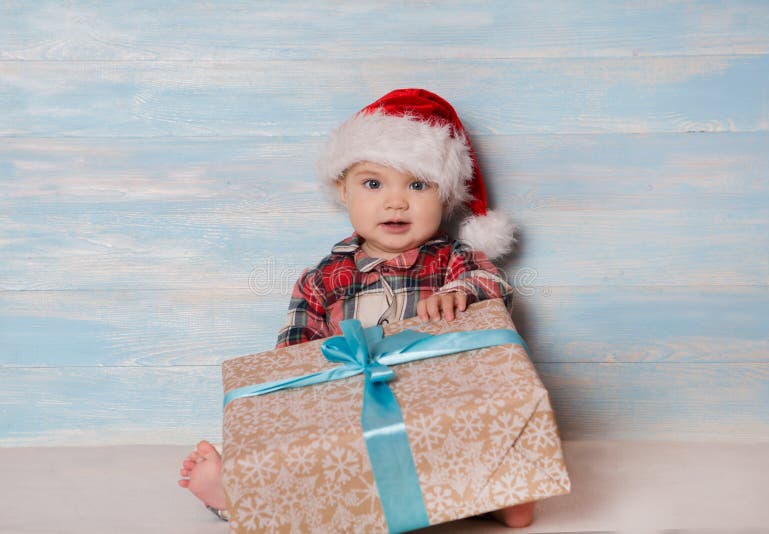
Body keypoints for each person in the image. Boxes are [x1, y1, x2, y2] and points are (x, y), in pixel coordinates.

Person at [178, 88, 536, 528]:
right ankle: (240, 492)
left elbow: (494, 284)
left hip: (438, 405)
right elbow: (291, 356)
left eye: (418, 184)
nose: (396, 201)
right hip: (351, 418)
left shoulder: (452, 259)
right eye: (373, 183)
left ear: (444, 197)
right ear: (342, 191)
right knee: (321, 461)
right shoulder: (321, 279)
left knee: (477, 431)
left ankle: (505, 489)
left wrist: (461, 291)